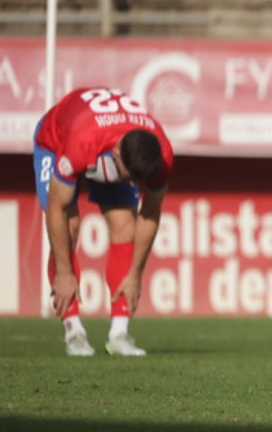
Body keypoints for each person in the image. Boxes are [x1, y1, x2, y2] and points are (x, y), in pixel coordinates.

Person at [34, 87, 174, 357]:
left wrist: (136, 273)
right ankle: (74, 331)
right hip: (55, 142)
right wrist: (64, 273)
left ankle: (119, 334)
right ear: (118, 154)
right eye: (129, 176)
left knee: (125, 225)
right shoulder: (80, 142)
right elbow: (56, 207)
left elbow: (151, 213)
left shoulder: (163, 155)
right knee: (71, 225)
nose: (132, 184)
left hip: (105, 143)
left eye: (137, 180)